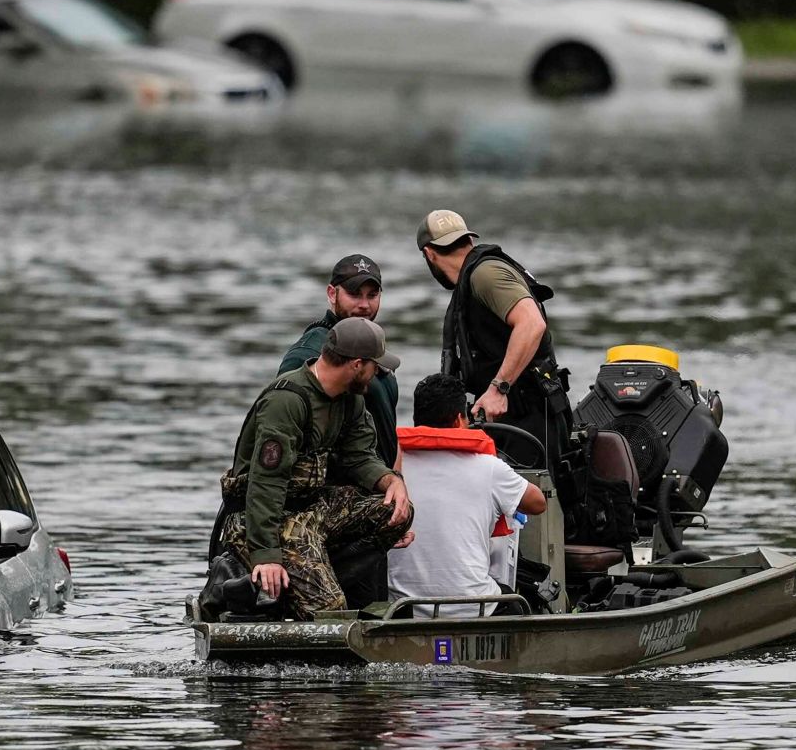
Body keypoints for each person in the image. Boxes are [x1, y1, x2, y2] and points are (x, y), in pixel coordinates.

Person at [217, 318, 414, 620]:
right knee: (329, 612)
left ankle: (312, 578)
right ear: (357, 365)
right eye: (376, 366)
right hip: (258, 520)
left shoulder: (350, 400)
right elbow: (266, 484)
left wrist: (391, 481)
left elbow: (360, 457)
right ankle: (247, 588)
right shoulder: (287, 401)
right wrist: (266, 556)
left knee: (396, 511)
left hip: (311, 512)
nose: (379, 374)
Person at [415, 209, 573, 471]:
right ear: (468, 241)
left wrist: (498, 388)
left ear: (429, 254)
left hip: (530, 417)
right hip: (513, 417)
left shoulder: (485, 274)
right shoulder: (474, 277)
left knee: (530, 505)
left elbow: (532, 324)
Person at [388, 374, 546, 618]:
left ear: (416, 420)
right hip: (474, 606)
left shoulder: (390, 469)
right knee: (523, 599)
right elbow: (538, 503)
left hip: (403, 609)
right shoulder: (489, 467)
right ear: (458, 419)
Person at [279, 254, 401, 471]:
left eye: (372, 295)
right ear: (332, 294)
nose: (364, 305)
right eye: (354, 295)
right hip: (336, 495)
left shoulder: (376, 351)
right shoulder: (307, 354)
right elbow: (283, 432)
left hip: (379, 485)